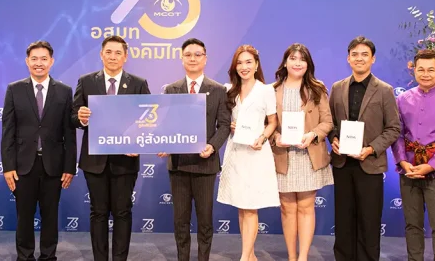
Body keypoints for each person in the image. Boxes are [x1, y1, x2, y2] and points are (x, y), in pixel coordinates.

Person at [72, 35, 151, 261]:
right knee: (98, 212)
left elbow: (148, 120)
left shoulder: (138, 83)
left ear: (125, 57)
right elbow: (73, 116)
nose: (113, 57)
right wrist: (81, 118)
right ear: (101, 55)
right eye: (108, 52)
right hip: (94, 161)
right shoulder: (87, 81)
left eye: (118, 53)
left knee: (122, 212)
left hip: (125, 161)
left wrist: (137, 142)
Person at [1, 41, 76, 261]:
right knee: (24, 217)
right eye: (34, 59)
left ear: (51, 61)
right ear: (27, 61)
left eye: (44, 59)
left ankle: (48, 256)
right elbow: (8, 131)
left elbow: (69, 133)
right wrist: (8, 166)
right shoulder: (14, 89)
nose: (39, 63)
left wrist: (69, 167)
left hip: (54, 165)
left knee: (50, 216)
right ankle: (24, 257)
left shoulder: (64, 91)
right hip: (23, 166)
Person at [157, 38, 231, 261]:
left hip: (205, 164)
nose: (193, 59)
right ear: (182, 59)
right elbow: (164, 124)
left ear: (205, 59)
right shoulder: (170, 90)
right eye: (188, 55)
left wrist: (213, 146)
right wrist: (164, 143)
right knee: (180, 220)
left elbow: (224, 125)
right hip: (178, 165)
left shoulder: (218, 90)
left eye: (198, 55)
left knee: (205, 220)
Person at [328, 37, 401, 261]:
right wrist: (333, 138)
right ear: (348, 58)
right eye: (355, 54)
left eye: (364, 54)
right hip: (342, 164)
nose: (359, 58)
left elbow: (393, 128)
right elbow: (330, 122)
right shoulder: (337, 88)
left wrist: (370, 149)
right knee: (343, 220)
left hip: (369, 164)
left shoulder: (385, 90)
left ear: (373, 59)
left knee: (369, 221)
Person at [392, 49, 435, 261]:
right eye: (420, 69)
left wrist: (431, 165)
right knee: (412, 224)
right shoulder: (402, 99)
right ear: (414, 71)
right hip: (409, 170)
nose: (425, 74)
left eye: (430, 70)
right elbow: (397, 134)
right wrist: (403, 162)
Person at [270, 43, 333, 261]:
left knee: (306, 207)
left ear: (308, 64)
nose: (297, 63)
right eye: (293, 58)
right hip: (283, 157)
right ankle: (291, 256)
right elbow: (267, 124)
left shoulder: (317, 89)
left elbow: (327, 122)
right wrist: (275, 137)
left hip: (309, 156)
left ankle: (303, 257)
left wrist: (313, 134)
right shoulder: (272, 90)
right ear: (285, 62)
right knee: (287, 208)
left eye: (302, 59)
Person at [217, 44, 280, 261]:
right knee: (242, 207)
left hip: (256, 153)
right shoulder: (228, 90)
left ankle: (244, 257)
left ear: (256, 64)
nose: (244, 67)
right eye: (240, 63)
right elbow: (223, 119)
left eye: (248, 62)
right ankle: (250, 255)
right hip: (236, 152)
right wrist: (230, 124)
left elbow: (272, 122)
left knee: (251, 207)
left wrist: (262, 137)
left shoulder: (266, 90)